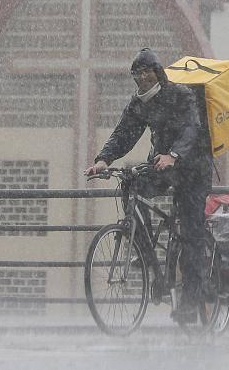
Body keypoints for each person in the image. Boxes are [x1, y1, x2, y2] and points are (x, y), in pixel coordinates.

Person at [84, 47, 212, 322]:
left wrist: (174, 155)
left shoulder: (181, 95)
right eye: (137, 75)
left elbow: (192, 129)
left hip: (193, 168)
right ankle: (147, 257)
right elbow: (125, 132)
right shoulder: (140, 103)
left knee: (191, 232)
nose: (142, 79)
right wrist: (104, 159)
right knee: (131, 183)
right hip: (162, 164)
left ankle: (191, 300)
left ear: (158, 73)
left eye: (147, 73)